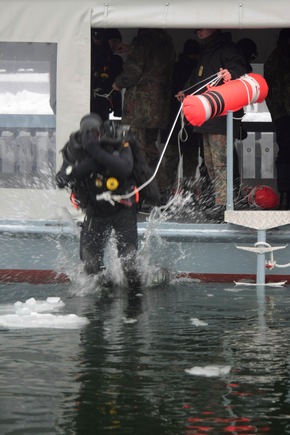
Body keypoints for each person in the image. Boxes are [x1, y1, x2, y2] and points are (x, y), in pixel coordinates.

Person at [55, 113, 159, 289]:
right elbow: (61, 180)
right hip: (95, 211)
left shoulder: (118, 140)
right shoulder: (75, 147)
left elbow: (124, 168)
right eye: (88, 134)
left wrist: (95, 152)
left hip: (123, 208)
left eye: (95, 134)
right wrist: (92, 161)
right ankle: (103, 297)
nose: (92, 138)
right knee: (91, 266)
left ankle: (135, 299)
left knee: (129, 265)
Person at [177, 29, 249, 220]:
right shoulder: (206, 52)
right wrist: (186, 91)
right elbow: (198, 79)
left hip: (221, 116)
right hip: (206, 117)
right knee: (209, 163)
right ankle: (220, 201)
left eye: (202, 27)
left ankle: (225, 204)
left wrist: (230, 73)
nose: (197, 32)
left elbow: (241, 70)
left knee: (220, 162)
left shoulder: (227, 49)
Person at [112, 28, 176, 202]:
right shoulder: (167, 43)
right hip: (158, 108)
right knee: (150, 150)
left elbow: (133, 71)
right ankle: (163, 190)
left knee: (134, 150)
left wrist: (118, 83)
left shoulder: (142, 42)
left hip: (138, 108)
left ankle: (137, 194)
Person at [164, 39, 204, 194]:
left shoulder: (173, 68)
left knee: (171, 159)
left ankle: (167, 192)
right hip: (192, 121)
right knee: (190, 160)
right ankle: (188, 194)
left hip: (173, 119)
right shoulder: (198, 68)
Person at [264, 28, 290, 210]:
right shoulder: (284, 58)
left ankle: (284, 196)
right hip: (285, 113)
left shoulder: (273, 58)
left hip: (280, 115)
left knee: (284, 153)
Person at [90, 28, 124, 121]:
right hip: (92, 104)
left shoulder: (116, 60)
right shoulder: (93, 57)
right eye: (113, 41)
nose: (116, 45)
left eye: (118, 42)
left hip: (106, 104)